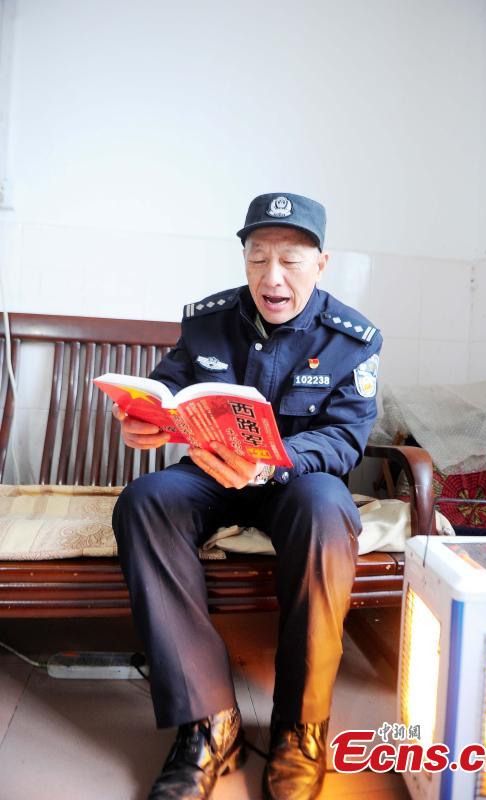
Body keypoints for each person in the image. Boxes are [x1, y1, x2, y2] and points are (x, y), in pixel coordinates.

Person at [112, 192, 382, 800]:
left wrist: (271, 464)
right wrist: (143, 416)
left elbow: (344, 438)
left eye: (289, 260)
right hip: (211, 473)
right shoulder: (208, 320)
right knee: (144, 500)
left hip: (294, 482)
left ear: (321, 264)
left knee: (328, 507)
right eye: (258, 258)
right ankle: (209, 722)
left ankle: (300, 729)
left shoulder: (353, 338)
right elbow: (167, 388)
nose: (272, 277)